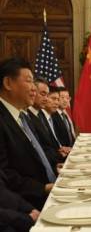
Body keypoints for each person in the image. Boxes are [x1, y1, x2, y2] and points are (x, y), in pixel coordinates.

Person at [0, 57, 54, 209]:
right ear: (8, 83)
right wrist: (43, 188)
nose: (34, 88)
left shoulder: (22, 116)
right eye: (29, 81)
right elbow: (5, 173)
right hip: (25, 205)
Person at [27, 78, 66, 162]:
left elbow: (48, 144)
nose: (46, 99)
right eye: (43, 94)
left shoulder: (40, 114)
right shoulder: (27, 116)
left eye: (47, 95)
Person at [40, 86, 71, 157]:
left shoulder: (50, 116)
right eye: (54, 99)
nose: (57, 103)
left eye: (57, 99)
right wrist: (59, 153)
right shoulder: (40, 118)